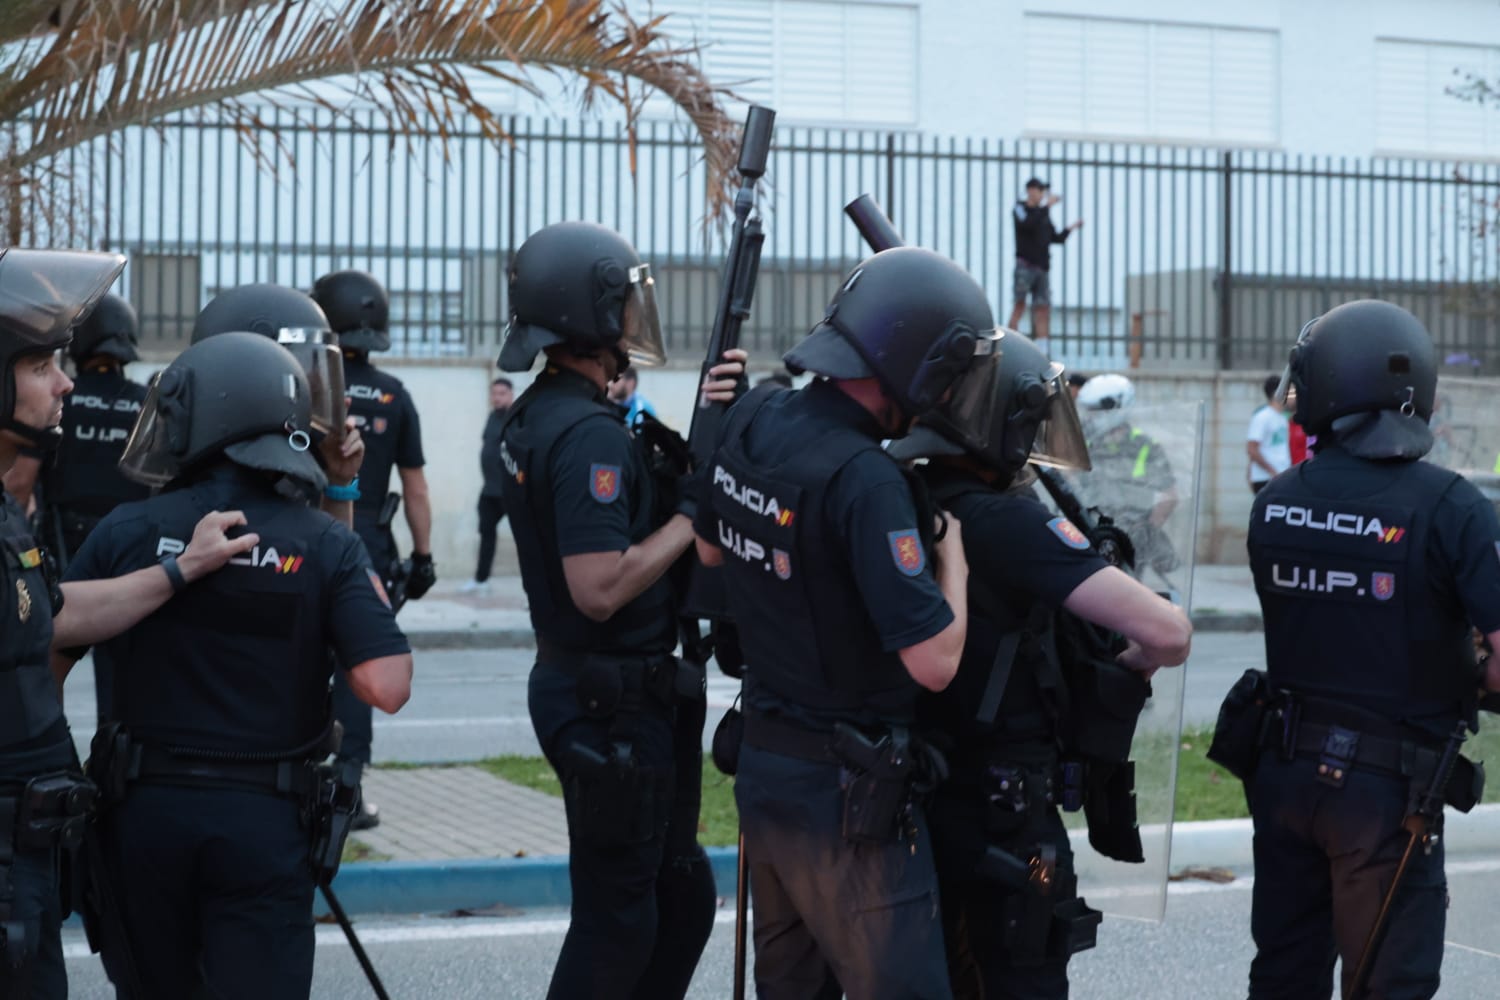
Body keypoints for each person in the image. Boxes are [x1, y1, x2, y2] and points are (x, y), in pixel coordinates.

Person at [60, 331, 413, 1000]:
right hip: (265, 825)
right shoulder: (326, 543)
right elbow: (386, 685)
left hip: (141, 818)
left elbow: (46, 644)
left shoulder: (125, 529)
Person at [695, 246, 1001, 999]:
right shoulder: (867, 479)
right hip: (849, 804)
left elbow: (707, 547)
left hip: (767, 772)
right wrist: (952, 563)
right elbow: (933, 660)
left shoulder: (757, 413)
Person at [888, 332, 1192, 999]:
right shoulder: (1009, 522)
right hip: (1006, 809)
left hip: (913, 795)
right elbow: (1168, 634)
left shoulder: (897, 497)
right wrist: (1127, 664)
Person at [0, 248, 261, 1000]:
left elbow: (59, 613)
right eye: (40, 365)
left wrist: (182, 568)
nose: (64, 382)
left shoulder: (9, 519)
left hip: (29, 850)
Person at [495, 220, 746, 1000]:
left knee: (678, 898)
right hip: (611, 701)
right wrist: (690, 518)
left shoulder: (545, 413)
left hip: (612, 691)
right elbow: (599, 585)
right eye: (624, 304)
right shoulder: (585, 436)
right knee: (620, 921)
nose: (636, 319)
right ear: (589, 316)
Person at [1232, 300, 1500, 999]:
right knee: (1389, 984)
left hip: (1284, 775)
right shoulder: (1454, 508)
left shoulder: (1277, 503)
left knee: (1283, 975)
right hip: (1388, 796)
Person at [312, 269, 436, 830]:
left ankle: (299, 778)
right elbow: (415, 486)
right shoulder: (394, 395)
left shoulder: (308, 387)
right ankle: (349, 787)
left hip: (310, 543)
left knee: (304, 662)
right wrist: (425, 556)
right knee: (360, 667)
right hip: (370, 554)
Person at [2, 293, 152, 726]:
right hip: (127, 540)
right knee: (119, 650)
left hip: (65, 540)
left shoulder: (56, 400)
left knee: (50, 646)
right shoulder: (144, 403)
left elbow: (20, 480)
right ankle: (113, 747)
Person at [1074, 373, 1179, 577]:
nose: (1090, 417)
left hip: (1128, 542)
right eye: (1089, 411)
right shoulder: (1081, 443)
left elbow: (1170, 495)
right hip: (1088, 536)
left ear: (1115, 408)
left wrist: (1145, 532)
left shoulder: (1145, 446)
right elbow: (1065, 484)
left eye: (1096, 411)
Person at [1006, 178, 1083, 354]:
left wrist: (1071, 228)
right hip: (1025, 265)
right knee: (1019, 304)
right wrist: (1046, 207)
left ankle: (1043, 350)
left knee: (1043, 308)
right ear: (1030, 191)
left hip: (1042, 268)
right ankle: (1010, 343)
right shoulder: (1021, 209)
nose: (1041, 195)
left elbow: (1055, 237)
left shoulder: (1043, 213)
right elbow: (1027, 224)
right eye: (1039, 190)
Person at [464, 376, 514, 594]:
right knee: (486, 534)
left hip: (511, 491)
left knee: (528, 539)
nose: (497, 397)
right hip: (489, 491)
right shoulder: (492, 417)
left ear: (511, 395)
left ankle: (536, 588)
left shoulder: (516, 419)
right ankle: (481, 580)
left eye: (502, 393)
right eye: (494, 393)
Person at [1247, 373, 1292, 493]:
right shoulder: (1262, 417)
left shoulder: (1282, 418)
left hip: (1281, 476)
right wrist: (1271, 470)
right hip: (1266, 478)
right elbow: (1252, 449)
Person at [606, 364, 656, 429]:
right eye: (611, 379)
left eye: (616, 379)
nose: (610, 384)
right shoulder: (610, 402)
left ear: (630, 383)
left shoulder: (644, 409)